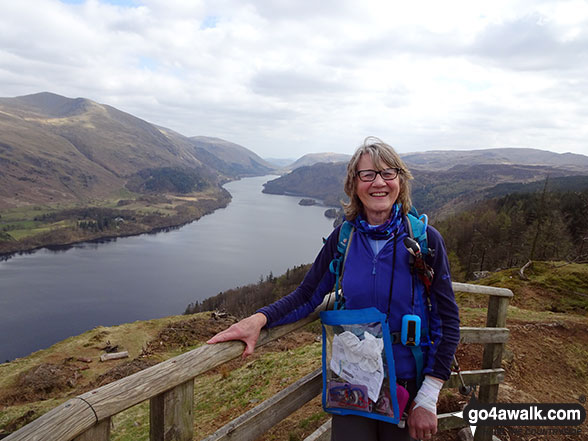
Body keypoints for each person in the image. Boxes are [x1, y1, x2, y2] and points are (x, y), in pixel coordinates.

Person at [208, 137, 460, 441]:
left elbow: (447, 320)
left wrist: (429, 397)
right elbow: (308, 295)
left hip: (407, 382)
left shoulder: (425, 241)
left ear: (400, 182)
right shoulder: (344, 238)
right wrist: (259, 319)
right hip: (353, 380)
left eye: (388, 173)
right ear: (354, 185)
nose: (378, 182)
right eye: (367, 174)